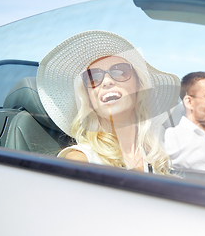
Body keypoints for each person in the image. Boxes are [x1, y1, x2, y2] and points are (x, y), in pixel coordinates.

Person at [37, 30, 180, 175]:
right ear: (89, 99)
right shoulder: (80, 160)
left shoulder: (155, 157)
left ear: (138, 86)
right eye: (93, 78)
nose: (106, 82)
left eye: (120, 72)